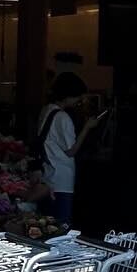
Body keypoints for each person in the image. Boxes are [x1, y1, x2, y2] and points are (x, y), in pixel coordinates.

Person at [36, 72, 106, 227]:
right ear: (68, 95)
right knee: (61, 226)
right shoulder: (63, 117)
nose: (79, 100)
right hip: (62, 180)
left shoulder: (46, 110)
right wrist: (87, 127)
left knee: (46, 224)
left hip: (48, 175)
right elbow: (71, 151)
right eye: (78, 96)